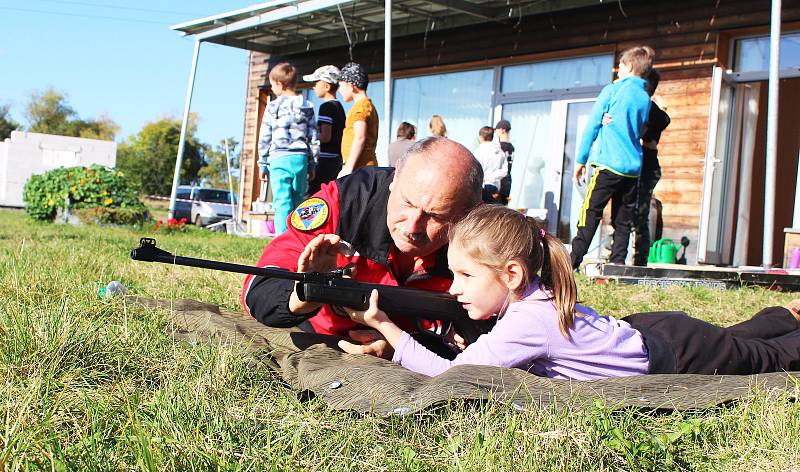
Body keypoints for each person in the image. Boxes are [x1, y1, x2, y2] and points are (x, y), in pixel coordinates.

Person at [341, 204, 800, 379]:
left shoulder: (527, 321)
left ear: (513, 275)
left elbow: (453, 378)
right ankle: (788, 315)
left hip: (678, 354)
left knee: (766, 361)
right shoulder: (529, 303)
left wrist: (387, 327)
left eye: (465, 276)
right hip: (658, 331)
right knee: (739, 339)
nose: (455, 288)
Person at [241, 137, 484, 356]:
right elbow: (260, 286)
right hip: (319, 338)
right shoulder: (345, 201)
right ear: (396, 176)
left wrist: (405, 347)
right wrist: (301, 296)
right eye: (407, 202)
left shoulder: (489, 239)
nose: (412, 226)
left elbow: (506, 333)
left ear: (469, 214)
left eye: (436, 216)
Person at [571, 46, 655, 270]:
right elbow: (640, 127)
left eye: (619, 67)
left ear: (628, 66)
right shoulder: (645, 98)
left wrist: (581, 160)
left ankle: (573, 260)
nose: (617, 72)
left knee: (590, 212)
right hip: (632, 168)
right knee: (623, 218)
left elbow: (592, 125)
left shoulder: (613, 90)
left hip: (608, 163)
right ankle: (618, 261)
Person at [601, 68, 671, 266]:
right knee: (621, 213)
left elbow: (665, 119)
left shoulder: (648, 107)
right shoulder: (636, 105)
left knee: (639, 216)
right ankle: (614, 255)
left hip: (646, 168)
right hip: (635, 166)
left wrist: (644, 135)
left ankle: (639, 262)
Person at [258, 62, 319, 235]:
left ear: (279, 84)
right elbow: (314, 137)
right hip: (300, 158)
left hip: (279, 158)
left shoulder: (273, 106)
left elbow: (265, 136)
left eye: (272, 84)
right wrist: (312, 163)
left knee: (282, 201)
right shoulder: (307, 106)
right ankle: (297, 236)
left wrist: (262, 162)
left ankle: (282, 238)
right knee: (298, 199)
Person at [303, 65, 346, 195]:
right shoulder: (339, 107)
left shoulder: (326, 107)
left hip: (326, 160)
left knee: (315, 195)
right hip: (336, 159)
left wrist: (308, 137)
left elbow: (326, 136)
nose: (314, 87)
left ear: (327, 86)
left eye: (317, 83)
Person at [337, 62, 379, 177]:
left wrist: (348, 167)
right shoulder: (367, 105)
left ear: (351, 86)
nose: (339, 90)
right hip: (363, 167)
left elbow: (360, 137)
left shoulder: (360, 107)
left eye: (341, 86)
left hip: (360, 169)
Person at [472, 126, 507, 204]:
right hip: (496, 186)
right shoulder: (500, 152)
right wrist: (492, 177)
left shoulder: (479, 152)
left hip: (483, 187)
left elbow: (474, 171)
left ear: (481, 137)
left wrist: (486, 177)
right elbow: (505, 171)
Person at [494, 119, 514, 203]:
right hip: (507, 180)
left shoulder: (500, 147)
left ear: (503, 130)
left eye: (496, 129)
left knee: (495, 208)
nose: (495, 132)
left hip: (500, 180)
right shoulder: (511, 146)